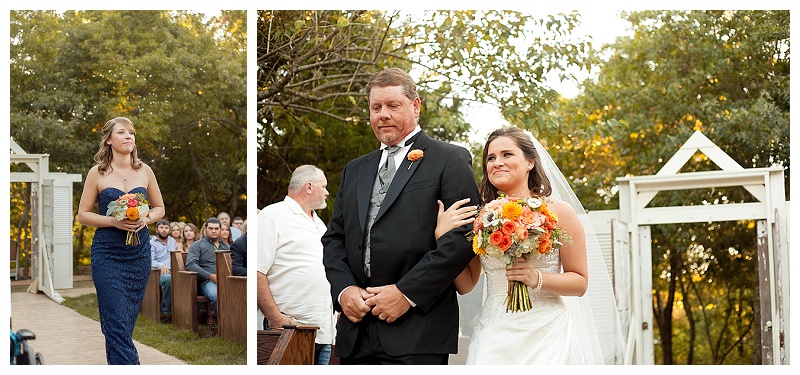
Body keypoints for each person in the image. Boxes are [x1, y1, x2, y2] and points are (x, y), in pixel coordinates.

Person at [321, 68, 480, 365]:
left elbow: (463, 237)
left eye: (393, 105)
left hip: (418, 330)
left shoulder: (450, 159)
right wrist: (343, 291)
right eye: (375, 107)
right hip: (356, 330)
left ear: (415, 106)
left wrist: (406, 293)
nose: (383, 114)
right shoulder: (354, 170)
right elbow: (334, 238)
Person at [436, 126, 623, 364]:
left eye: (507, 154)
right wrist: (442, 240)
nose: (497, 163)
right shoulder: (480, 218)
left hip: (547, 335)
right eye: (490, 158)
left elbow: (579, 282)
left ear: (530, 162)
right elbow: (466, 284)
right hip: (493, 337)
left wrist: (536, 277)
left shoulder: (559, 212)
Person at [77, 116, 165, 364]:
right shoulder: (97, 173)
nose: (129, 136)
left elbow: (160, 208)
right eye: (122, 132)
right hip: (107, 254)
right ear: (108, 140)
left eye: (132, 133)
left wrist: (145, 218)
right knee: (115, 319)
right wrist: (114, 221)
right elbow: (83, 214)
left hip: (138, 255)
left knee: (124, 321)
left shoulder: (145, 171)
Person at [258, 165, 336, 365]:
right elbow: (257, 271)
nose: (327, 192)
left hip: (323, 332)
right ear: (309, 187)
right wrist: (275, 317)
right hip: (289, 329)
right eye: (324, 186)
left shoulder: (318, 224)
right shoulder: (272, 216)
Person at [185, 217, 229, 320]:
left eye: (216, 228)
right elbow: (190, 264)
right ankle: (223, 324)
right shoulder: (197, 245)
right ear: (205, 229)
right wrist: (210, 276)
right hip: (206, 282)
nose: (213, 231)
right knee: (216, 294)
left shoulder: (226, 247)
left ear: (220, 229)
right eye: (210, 228)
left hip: (225, 280)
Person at [149, 219, 177, 322]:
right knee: (168, 279)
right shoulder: (152, 243)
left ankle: (187, 312)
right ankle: (170, 313)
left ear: (169, 230)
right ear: (157, 229)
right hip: (159, 273)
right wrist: (162, 265)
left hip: (174, 271)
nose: (164, 230)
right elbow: (150, 261)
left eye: (166, 228)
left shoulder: (172, 241)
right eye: (161, 227)